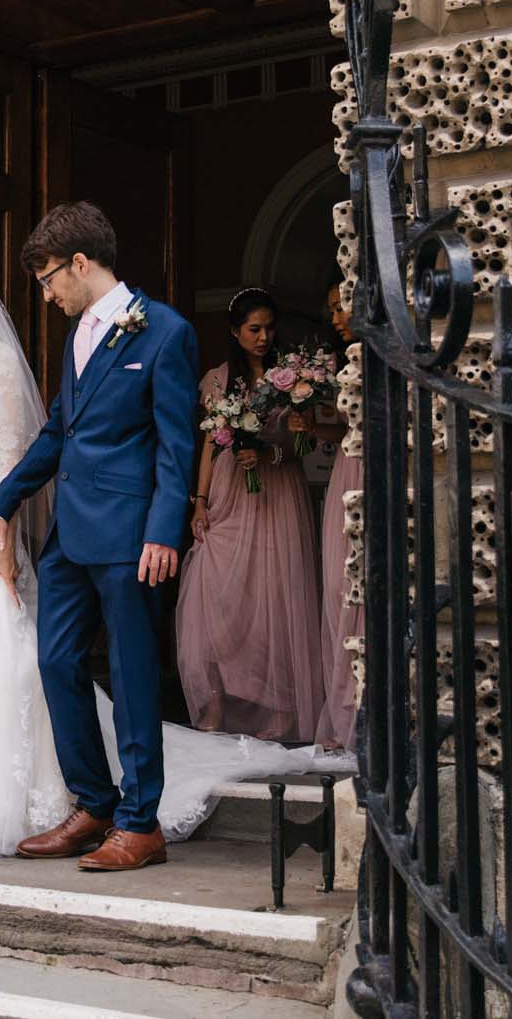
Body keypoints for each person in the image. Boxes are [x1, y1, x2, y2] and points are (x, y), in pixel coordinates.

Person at [0, 236, 339, 865]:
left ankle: (138, 822)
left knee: (129, 672)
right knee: (55, 661)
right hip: (60, 530)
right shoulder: (77, 335)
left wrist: (163, 530)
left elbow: (176, 442)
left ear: (78, 264)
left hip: (129, 531)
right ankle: (93, 802)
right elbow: (56, 434)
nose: (45, 295)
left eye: (48, 279)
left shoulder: (166, 332)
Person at [176, 287, 325, 744]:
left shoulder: (294, 380)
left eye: (268, 329)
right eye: (253, 329)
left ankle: (278, 714)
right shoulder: (219, 380)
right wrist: (199, 501)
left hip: (277, 493)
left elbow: (308, 445)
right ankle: (215, 704)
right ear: (235, 333)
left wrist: (278, 449)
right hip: (229, 493)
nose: (263, 337)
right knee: (215, 593)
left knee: (274, 596)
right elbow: (208, 444)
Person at [312, 283, 364, 753]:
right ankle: (343, 709)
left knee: (361, 592)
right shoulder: (343, 363)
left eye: (339, 306)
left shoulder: (381, 357)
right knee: (337, 586)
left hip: (371, 470)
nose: (334, 317)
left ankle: (363, 712)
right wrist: (310, 426)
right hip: (345, 471)